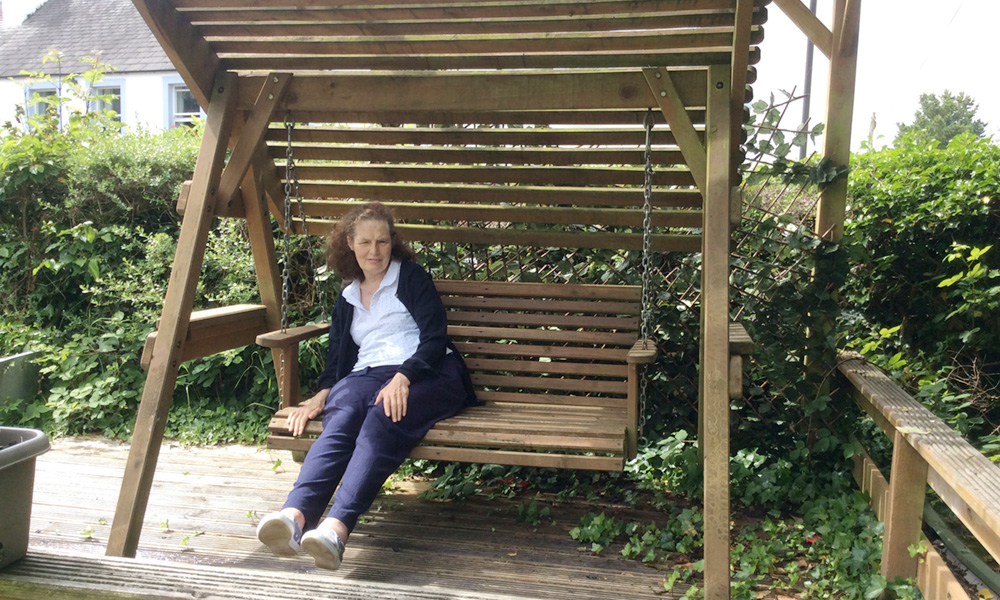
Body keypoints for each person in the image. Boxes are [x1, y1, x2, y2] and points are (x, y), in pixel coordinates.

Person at [256, 202, 477, 570]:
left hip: (429, 372)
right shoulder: (347, 296)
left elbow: (436, 338)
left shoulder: (410, 278)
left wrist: (403, 377)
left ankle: (335, 530)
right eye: (365, 243)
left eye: (382, 242)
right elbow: (339, 359)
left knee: (383, 416)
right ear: (350, 243)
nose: (374, 251)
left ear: (393, 243)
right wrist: (321, 395)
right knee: (341, 414)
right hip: (369, 375)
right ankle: (293, 517)